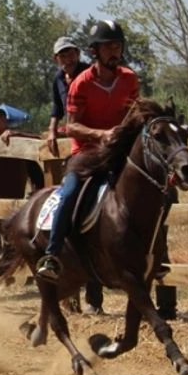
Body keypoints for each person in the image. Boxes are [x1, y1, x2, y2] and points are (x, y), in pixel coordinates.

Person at [36, 20, 138, 286]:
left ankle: (155, 256)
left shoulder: (129, 79)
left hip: (118, 152)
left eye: (118, 45)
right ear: (94, 52)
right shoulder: (80, 84)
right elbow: (71, 126)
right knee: (68, 193)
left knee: (159, 188)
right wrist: (101, 134)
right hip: (86, 154)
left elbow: (134, 114)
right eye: (108, 46)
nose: (115, 51)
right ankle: (52, 254)